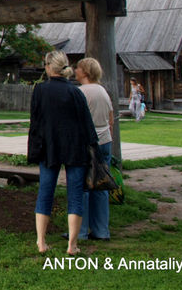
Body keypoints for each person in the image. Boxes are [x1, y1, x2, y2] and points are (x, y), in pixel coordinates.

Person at [28, 51, 98, 255]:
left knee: (45, 192)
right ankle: (72, 245)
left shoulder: (40, 90)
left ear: (49, 67)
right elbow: (87, 125)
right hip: (75, 148)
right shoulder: (75, 92)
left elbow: (36, 122)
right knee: (75, 195)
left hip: (49, 148)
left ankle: (41, 242)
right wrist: (94, 150)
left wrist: (34, 149)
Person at [75, 57, 113, 241]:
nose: (75, 70)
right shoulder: (103, 91)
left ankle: (79, 231)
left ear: (85, 72)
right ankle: (101, 230)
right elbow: (110, 119)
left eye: (78, 68)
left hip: (86, 142)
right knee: (100, 184)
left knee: (82, 186)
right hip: (105, 140)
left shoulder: (80, 92)